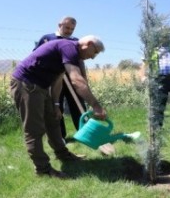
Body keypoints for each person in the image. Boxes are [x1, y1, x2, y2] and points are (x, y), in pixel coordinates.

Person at [10, 35, 106, 179]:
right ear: (89, 44)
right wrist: (96, 106)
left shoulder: (70, 52)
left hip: (41, 87)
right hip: (26, 84)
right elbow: (76, 80)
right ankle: (43, 169)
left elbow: (58, 80)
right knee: (34, 129)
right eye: (95, 52)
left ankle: (63, 154)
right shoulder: (69, 47)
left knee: (53, 121)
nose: (93, 57)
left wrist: (56, 105)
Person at [33, 16, 86, 141]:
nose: (69, 31)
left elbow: (81, 62)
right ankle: (60, 136)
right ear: (59, 25)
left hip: (73, 77)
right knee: (56, 106)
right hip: (54, 79)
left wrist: (84, 78)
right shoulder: (47, 38)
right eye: (67, 27)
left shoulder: (76, 41)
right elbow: (37, 56)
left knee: (78, 105)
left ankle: (84, 133)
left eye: (72, 29)